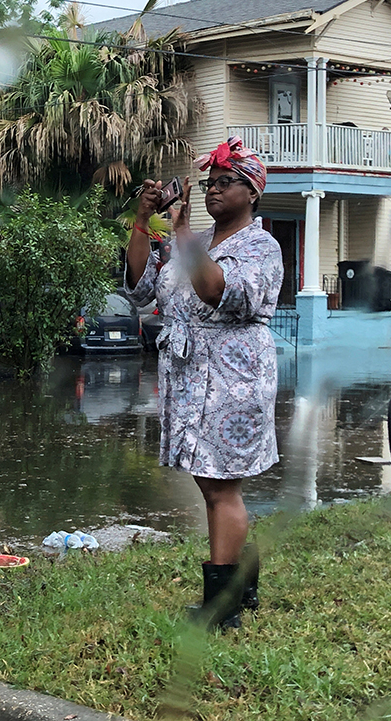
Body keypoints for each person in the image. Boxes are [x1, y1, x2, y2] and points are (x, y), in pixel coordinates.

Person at [124, 136, 283, 629]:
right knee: (210, 481)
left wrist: (186, 229)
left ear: (252, 192)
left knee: (220, 486)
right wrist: (140, 221)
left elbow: (218, 291)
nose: (214, 190)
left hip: (233, 375)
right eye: (210, 182)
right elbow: (138, 287)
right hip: (190, 374)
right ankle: (242, 579)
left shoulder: (261, 244)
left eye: (226, 182)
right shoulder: (182, 244)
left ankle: (223, 608)